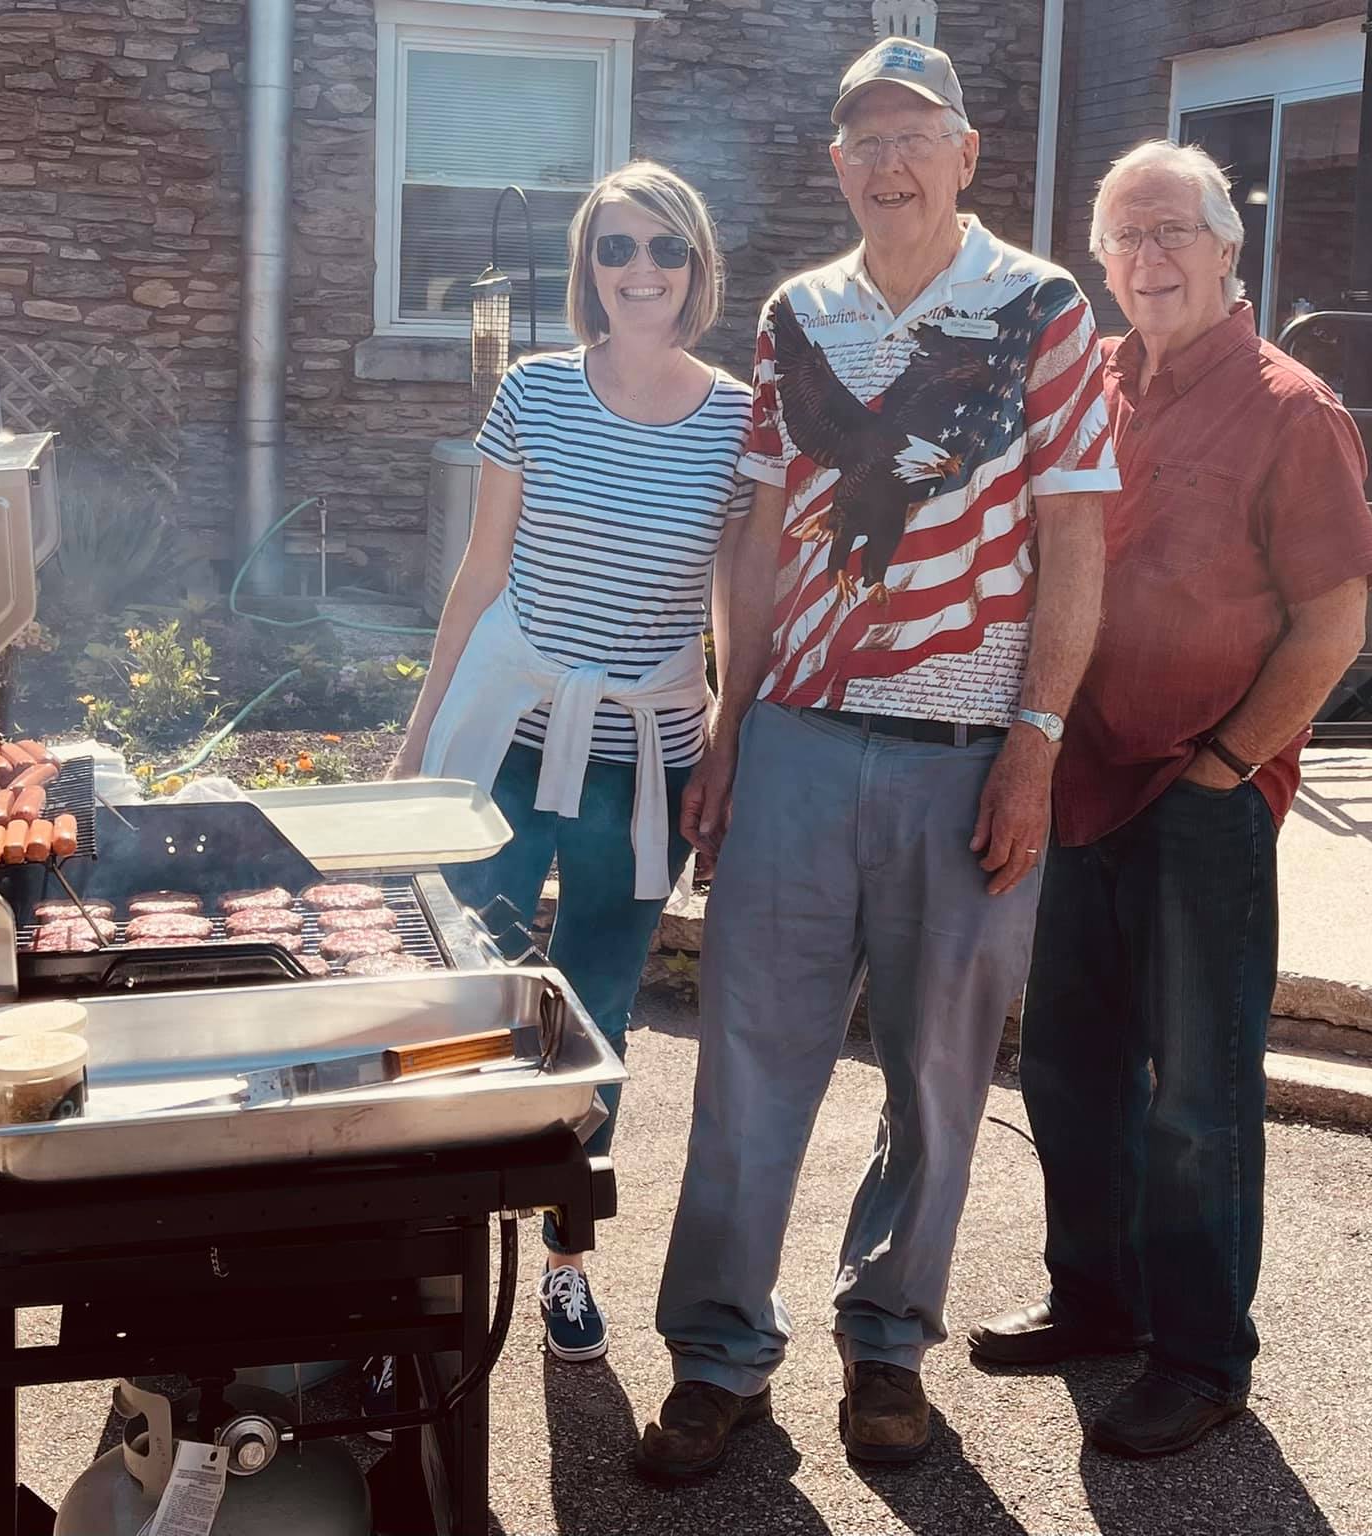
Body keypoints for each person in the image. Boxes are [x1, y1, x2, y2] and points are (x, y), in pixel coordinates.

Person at [637, 37, 1117, 1481]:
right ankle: (720, 1354)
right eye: (864, 138)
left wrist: (1034, 745)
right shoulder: (797, 317)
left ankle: (890, 1339)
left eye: (917, 134)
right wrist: (731, 724)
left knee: (938, 1073)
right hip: (793, 748)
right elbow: (766, 529)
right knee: (747, 1070)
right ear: (836, 163)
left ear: (968, 155)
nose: (889, 160)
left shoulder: (1041, 307)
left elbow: (1078, 541)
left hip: (966, 756)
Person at [967, 140, 1372, 1458]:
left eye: (1173, 234)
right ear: (1100, 262)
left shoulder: (1293, 410)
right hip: (1073, 780)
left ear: (1227, 250)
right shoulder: (1083, 386)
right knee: (1067, 1067)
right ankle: (1098, 1303)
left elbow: (1333, 623)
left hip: (1198, 795)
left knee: (1196, 1092)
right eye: (1124, 239)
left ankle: (1204, 1358)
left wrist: (1225, 765)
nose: (1148, 260)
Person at [388, 160, 753, 1366]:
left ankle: (563, 1260)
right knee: (459, 994)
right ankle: (427, 1259)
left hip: (637, 760)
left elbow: (728, 609)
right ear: (587, 269)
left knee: (595, 1010)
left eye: (662, 249)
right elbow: (479, 574)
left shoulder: (741, 419)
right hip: (507, 736)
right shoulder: (535, 395)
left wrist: (729, 746)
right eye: (614, 249)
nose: (637, 270)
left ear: (696, 266)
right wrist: (415, 733)